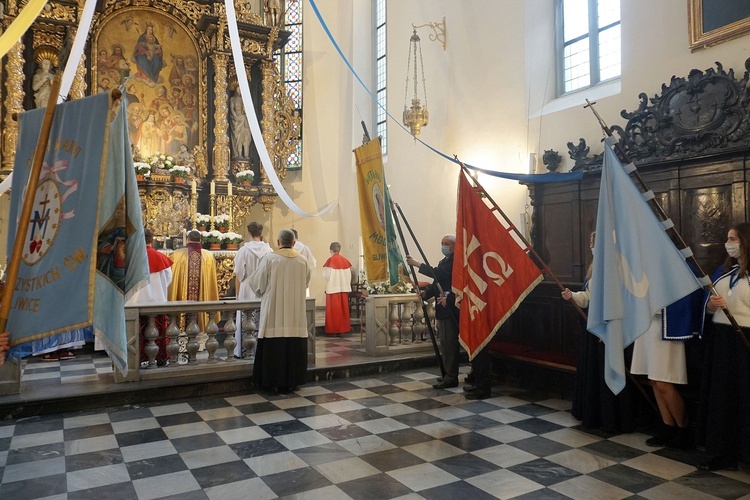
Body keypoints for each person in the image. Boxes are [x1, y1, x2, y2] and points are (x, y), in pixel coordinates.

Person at [561, 232, 636, 433]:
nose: (591, 246)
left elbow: (621, 301)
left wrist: (609, 327)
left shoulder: (618, 268)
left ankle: (612, 418)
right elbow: (588, 298)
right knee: (594, 372)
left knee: (609, 371)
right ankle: (594, 414)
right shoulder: (594, 268)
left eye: (594, 243)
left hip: (609, 329)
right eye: (591, 242)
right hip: (593, 329)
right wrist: (572, 296)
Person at [630, 257, 703, 450]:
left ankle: (684, 429)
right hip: (648, 326)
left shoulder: (679, 265)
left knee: (664, 381)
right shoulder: (646, 264)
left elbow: (689, 294)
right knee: (654, 380)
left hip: (668, 328)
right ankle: (667, 426)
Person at [698, 222, 750, 471]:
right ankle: (722, 452)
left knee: (744, 397)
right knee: (722, 397)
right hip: (721, 340)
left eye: (733, 239)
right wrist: (711, 306)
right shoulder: (724, 272)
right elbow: (707, 307)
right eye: (728, 238)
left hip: (744, 341)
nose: (728, 243)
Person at [249, 229, 311, 394]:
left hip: (274, 312)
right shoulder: (303, 261)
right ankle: (293, 380)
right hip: (295, 313)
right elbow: (306, 283)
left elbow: (257, 284)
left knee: (273, 345)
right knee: (293, 345)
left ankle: (271, 381)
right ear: (294, 243)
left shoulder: (270, 259)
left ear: (278, 242)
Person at [406, 235, 461, 390]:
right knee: (444, 342)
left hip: (450, 308)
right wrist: (426, 293)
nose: (444, 246)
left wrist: (417, 264)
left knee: (449, 344)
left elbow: (439, 274)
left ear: (455, 246)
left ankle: (451, 377)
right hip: (442, 309)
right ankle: (447, 373)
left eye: (447, 244)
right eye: (442, 243)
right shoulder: (445, 260)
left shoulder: (455, 260)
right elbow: (437, 283)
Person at [127, 229, 174, 365]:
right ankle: (159, 358)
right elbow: (168, 279)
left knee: (138, 332)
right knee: (158, 331)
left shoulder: (132, 258)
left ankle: (137, 359)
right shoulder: (160, 257)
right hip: (157, 301)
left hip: (136, 301)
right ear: (152, 240)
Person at [168, 230, 220, 333]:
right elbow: (212, 283)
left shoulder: (176, 255)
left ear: (187, 240)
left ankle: (181, 334)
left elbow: (170, 280)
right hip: (201, 304)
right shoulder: (209, 256)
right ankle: (202, 335)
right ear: (200, 240)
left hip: (182, 303)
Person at [233, 222, 272, 358]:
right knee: (260, 317)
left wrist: (241, 284)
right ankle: (260, 350)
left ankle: (244, 350)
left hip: (247, 285)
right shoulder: (268, 250)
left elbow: (238, 271)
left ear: (249, 233)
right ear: (261, 233)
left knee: (246, 316)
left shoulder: (243, 250)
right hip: (263, 287)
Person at [322, 242, 353, 335]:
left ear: (331, 250)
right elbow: (349, 276)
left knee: (333, 311)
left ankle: (333, 329)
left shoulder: (330, 261)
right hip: (343, 289)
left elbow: (326, 275)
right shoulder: (345, 261)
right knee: (343, 310)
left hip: (332, 288)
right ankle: (343, 329)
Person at [292, 229, 316, 297]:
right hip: (303, 281)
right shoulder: (305, 248)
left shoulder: (286, 249)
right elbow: (312, 264)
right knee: (303, 304)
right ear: (297, 237)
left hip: (289, 282)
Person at [229, 89, 252, 159]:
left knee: (246, 137)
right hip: (236, 120)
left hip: (244, 119)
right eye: (238, 90)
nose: (240, 91)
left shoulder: (244, 99)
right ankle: (238, 155)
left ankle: (246, 155)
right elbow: (231, 109)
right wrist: (235, 116)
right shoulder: (233, 99)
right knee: (237, 138)